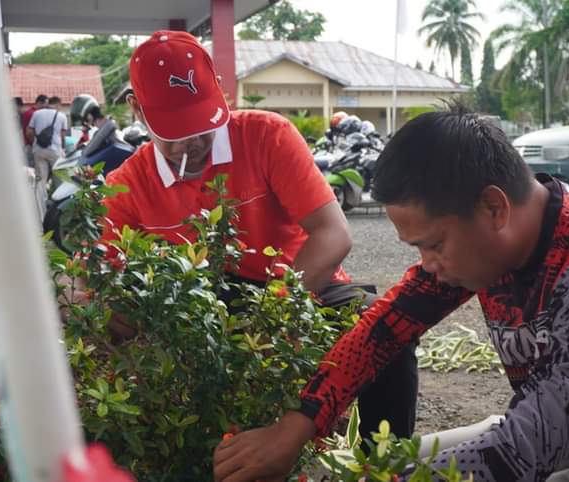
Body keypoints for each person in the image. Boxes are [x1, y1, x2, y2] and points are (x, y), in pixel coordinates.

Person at [214, 106, 569, 482]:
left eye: (432, 244)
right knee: (376, 468)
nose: (427, 265)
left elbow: (524, 450)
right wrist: (298, 425)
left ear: (493, 208)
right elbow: (382, 329)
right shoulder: (485, 244)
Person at [100, 30, 418, 444]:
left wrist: (271, 317)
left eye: (202, 124)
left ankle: (385, 463)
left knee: (388, 336)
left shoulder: (267, 135)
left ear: (219, 95)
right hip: (198, 308)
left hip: (297, 287)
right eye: (176, 133)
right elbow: (106, 288)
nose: (194, 144)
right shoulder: (125, 185)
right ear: (138, 113)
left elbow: (333, 235)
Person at [26, 96, 67, 220]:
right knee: (59, 181)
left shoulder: (37, 114)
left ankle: (41, 214)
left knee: (41, 182)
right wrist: (63, 149)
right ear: (58, 104)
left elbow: (29, 132)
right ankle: (58, 212)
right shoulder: (61, 116)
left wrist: (35, 143)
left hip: (39, 151)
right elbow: (63, 135)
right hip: (55, 151)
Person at [21, 94, 48, 167]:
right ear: (39, 103)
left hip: (27, 144)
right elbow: (30, 132)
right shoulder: (33, 114)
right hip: (32, 145)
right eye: (45, 105)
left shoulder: (28, 112)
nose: (45, 107)